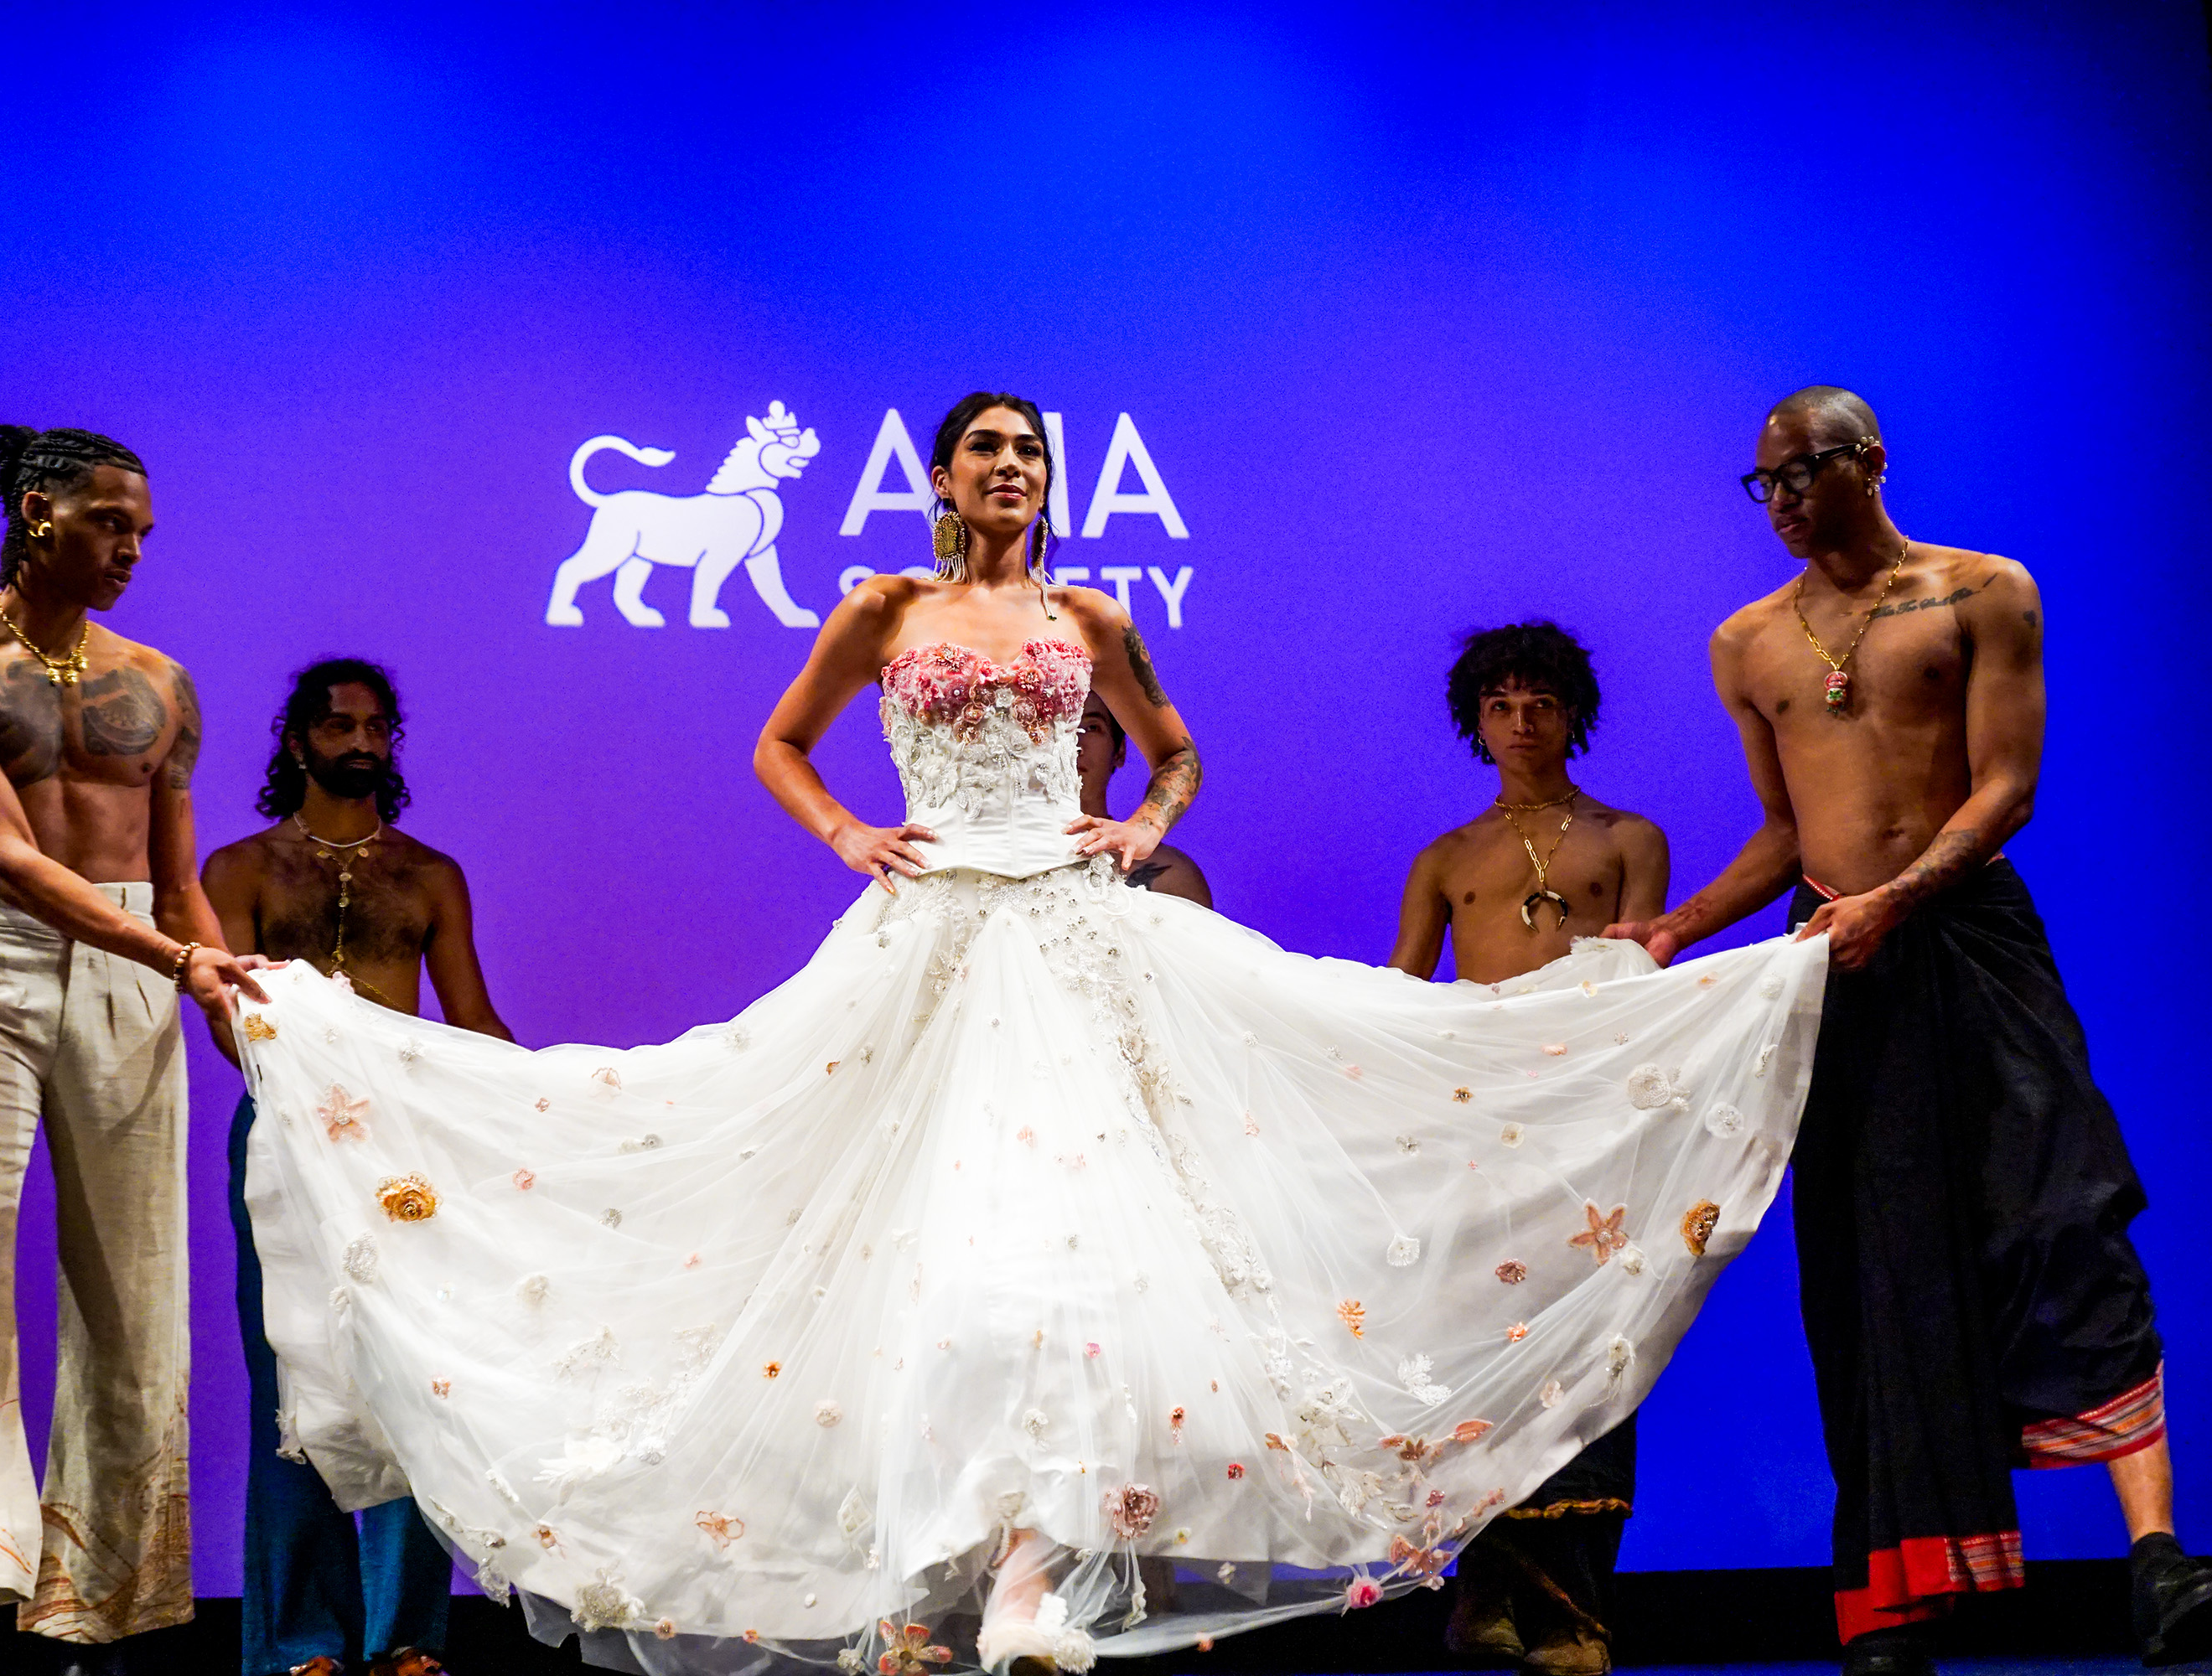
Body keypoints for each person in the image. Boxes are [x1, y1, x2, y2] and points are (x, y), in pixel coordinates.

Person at [229, 391, 1831, 1676]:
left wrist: (1143, 828)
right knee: (923, 1254)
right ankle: (931, 1573)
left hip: (1068, 939)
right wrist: (853, 836)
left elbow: (1178, 755)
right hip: (929, 937)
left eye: (1033, 455)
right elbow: (781, 745)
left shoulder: (1091, 611)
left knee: (1074, 1254)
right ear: (940, 475)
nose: (1013, 470)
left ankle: (1032, 1575)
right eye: (988, 449)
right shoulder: (885, 606)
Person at [1607, 386, 2212, 1674]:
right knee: (1876, 1272)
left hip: (1969, 942)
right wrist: (1682, 926)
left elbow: (2007, 786)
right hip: (1836, 964)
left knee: (2063, 1218)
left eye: (1797, 476)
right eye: (1759, 485)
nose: (1775, 503)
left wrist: (1898, 897)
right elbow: (1785, 832)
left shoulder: (1983, 592)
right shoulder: (1748, 643)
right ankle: (1893, 1604)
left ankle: (2158, 1559)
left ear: (1867, 463)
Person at [0, 425, 264, 1676]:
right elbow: (12, 859)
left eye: (141, 531)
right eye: (107, 524)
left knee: (135, 1296)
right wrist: (176, 961)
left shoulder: (163, 684)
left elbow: (179, 887)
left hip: (139, 969)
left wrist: (244, 1029)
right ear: (37, 513)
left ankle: (103, 1606)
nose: (129, 549)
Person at [204, 659, 515, 1676]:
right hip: (287, 1139)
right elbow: (227, 1018)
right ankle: (301, 1640)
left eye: (380, 727)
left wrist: (556, 1098)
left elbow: (469, 1020)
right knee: (293, 1378)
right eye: (340, 726)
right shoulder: (239, 869)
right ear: (296, 741)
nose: (364, 742)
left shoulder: (429, 873)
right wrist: (314, 1082)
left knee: (414, 1375)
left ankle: (409, 1635)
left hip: (406, 1145)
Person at [1388, 622, 1665, 1676]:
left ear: (1572, 711)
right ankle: (1490, 1595)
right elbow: (1402, 999)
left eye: (1539, 701)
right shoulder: (1447, 858)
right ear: (1475, 719)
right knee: (1486, 1352)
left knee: (1594, 1357)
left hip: (1590, 1131)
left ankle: (1577, 1618)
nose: (1520, 721)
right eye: (1499, 703)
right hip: (1479, 1136)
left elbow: (1637, 990)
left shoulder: (1628, 838)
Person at [1074, 689, 1211, 906]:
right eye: (1061, 729)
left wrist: (1145, 827)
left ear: (1119, 751)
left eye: (1092, 728)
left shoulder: (1173, 878)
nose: (1075, 743)